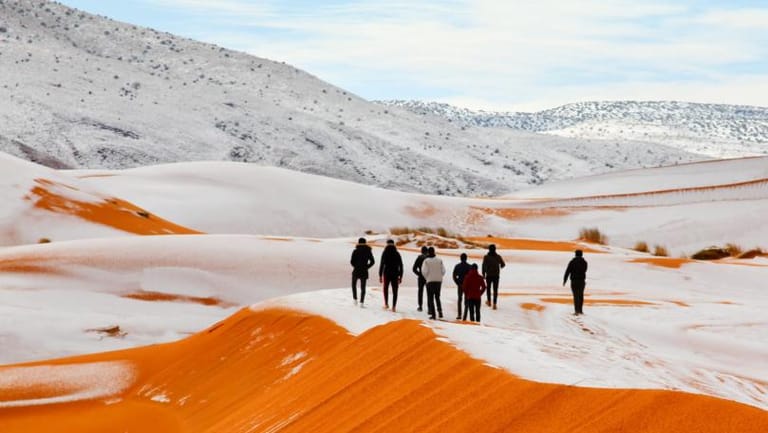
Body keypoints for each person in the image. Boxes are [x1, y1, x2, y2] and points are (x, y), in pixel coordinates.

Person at [379, 239, 404, 311]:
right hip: (395, 273)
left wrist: (380, 275)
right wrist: (401, 276)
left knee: (385, 288)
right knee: (395, 290)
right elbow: (401, 265)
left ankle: (386, 304)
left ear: (387, 244)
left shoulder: (385, 253)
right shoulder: (397, 253)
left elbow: (382, 264)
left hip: (386, 273)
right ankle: (394, 307)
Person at [422, 246, 445, 320]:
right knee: (437, 297)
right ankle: (440, 312)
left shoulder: (426, 261)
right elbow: (443, 271)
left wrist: (427, 278)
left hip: (430, 281)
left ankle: (433, 314)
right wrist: (439, 276)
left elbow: (424, 271)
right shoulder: (439, 260)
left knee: (431, 298)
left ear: (428, 252)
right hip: (438, 281)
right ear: (434, 252)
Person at [350, 237, 375, 306]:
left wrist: (356, 266)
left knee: (353, 285)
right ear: (365, 243)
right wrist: (367, 267)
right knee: (363, 287)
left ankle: (355, 299)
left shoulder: (355, 251)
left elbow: (352, 261)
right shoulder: (368, 251)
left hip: (356, 270)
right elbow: (373, 261)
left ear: (358, 242)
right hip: (364, 271)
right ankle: (362, 302)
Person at [563, 249, 588, 315]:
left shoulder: (572, 262)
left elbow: (567, 271)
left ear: (575, 254)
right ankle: (580, 310)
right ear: (581, 254)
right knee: (581, 295)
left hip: (574, 281)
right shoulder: (584, 262)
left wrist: (565, 280)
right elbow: (585, 270)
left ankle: (576, 311)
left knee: (576, 295)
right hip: (582, 281)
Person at [481, 244, 506, 310]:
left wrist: (483, 274)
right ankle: (494, 304)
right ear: (495, 249)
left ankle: (489, 302)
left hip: (489, 275)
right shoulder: (498, 256)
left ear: (489, 249)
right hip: (496, 275)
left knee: (488, 288)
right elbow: (503, 264)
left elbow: (483, 266)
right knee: (495, 290)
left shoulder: (486, 257)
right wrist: (499, 267)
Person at [452, 253, 472, 320]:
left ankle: (459, 314)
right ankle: (465, 316)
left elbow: (454, 275)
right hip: (467, 286)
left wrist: (457, 282)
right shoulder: (469, 266)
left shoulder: (457, 266)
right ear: (466, 258)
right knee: (466, 300)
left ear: (460, 258)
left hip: (460, 284)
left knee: (459, 299)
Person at [412, 246, 429, 311]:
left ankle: (420, 306)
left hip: (421, 277)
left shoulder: (419, 258)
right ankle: (430, 307)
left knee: (420, 291)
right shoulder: (429, 258)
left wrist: (419, 274)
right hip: (428, 277)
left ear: (421, 251)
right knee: (429, 292)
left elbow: (414, 269)